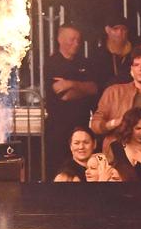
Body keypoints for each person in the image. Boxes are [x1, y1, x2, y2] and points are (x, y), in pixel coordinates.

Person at [42, 25, 99, 176]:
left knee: (81, 169)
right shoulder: (52, 63)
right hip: (58, 128)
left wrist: (70, 84)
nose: (76, 43)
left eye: (78, 40)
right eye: (71, 39)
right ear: (60, 39)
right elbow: (63, 95)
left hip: (81, 124)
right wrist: (83, 88)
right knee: (58, 170)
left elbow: (94, 88)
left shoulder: (85, 62)